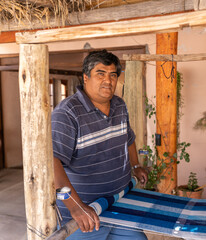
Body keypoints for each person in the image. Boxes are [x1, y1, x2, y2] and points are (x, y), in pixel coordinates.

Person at [51, 49, 148, 240]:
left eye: (113, 75)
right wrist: (77, 208)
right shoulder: (67, 113)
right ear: (85, 77)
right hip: (84, 216)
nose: (108, 81)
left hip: (118, 203)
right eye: (100, 74)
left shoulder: (119, 105)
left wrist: (135, 166)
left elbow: (128, 138)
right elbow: (53, 164)